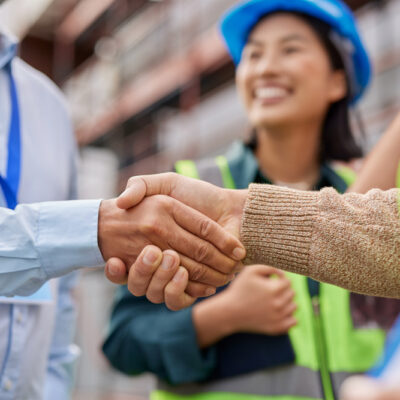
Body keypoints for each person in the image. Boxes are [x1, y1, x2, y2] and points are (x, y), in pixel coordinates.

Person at [103, 2, 399, 400]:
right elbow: (123, 342)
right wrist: (220, 317)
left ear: (337, 80)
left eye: (290, 49)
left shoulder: (369, 211)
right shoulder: (189, 187)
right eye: (253, 54)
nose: (265, 68)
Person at [0, 23, 246, 400]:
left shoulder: (46, 104)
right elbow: (126, 343)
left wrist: (51, 387)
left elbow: (60, 292)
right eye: (253, 52)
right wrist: (96, 229)